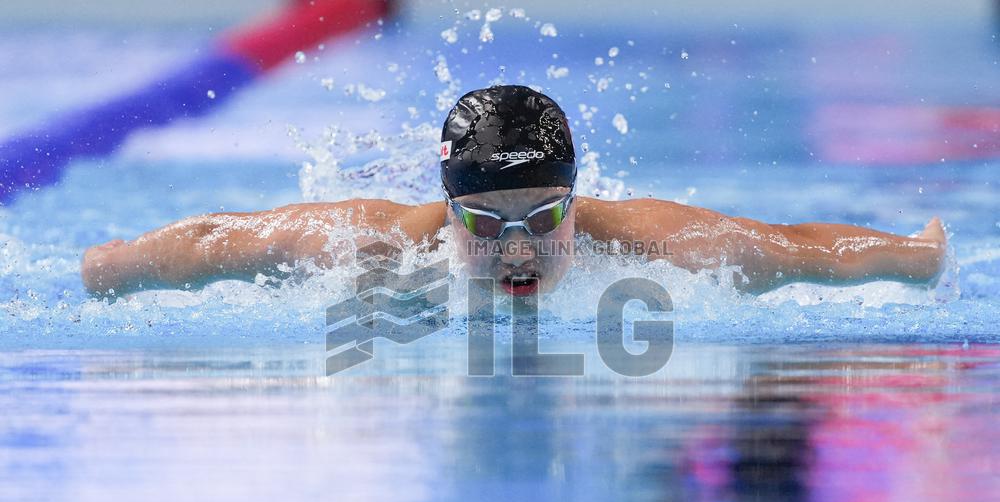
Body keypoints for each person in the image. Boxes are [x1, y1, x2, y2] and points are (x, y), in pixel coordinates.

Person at [81, 85, 947, 298]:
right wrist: (111, 268)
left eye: (543, 215)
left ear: (575, 197)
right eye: (487, 223)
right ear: (448, 206)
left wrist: (917, 257)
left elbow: (799, 248)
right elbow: (214, 242)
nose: (519, 246)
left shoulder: (658, 243)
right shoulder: (371, 243)